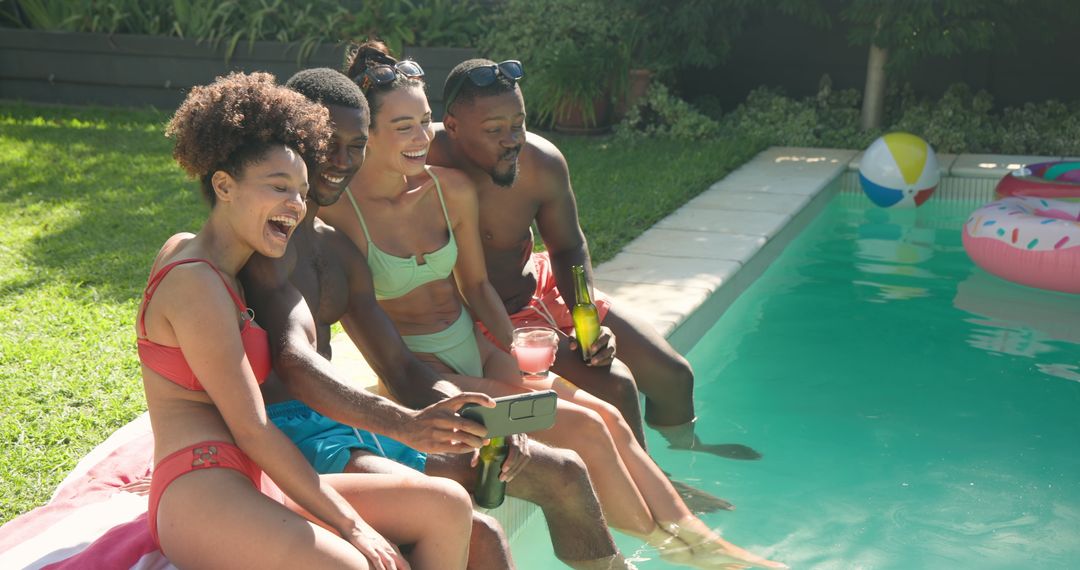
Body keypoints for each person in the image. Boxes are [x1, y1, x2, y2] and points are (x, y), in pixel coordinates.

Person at [319, 42, 785, 569]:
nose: (422, 137)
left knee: (606, 413)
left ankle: (697, 539)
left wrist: (514, 357)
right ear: (367, 134)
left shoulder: (447, 187)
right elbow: (384, 351)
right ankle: (685, 552)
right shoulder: (340, 215)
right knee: (583, 428)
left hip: (478, 344)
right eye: (404, 126)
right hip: (424, 372)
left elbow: (478, 289)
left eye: (425, 122)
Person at [239, 67, 627, 570]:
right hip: (291, 438)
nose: (341, 162)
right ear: (292, 140)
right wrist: (407, 424)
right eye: (325, 144)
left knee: (563, 471)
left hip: (344, 423)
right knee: (477, 529)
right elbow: (292, 361)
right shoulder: (266, 243)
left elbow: (400, 369)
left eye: (355, 146)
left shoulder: (337, 250)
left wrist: (476, 419)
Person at [141, 71, 472, 569]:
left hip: (255, 476)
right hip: (201, 484)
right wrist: (352, 524)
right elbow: (253, 429)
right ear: (224, 186)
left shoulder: (229, 269)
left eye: (300, 189)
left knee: (449, 505)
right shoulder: (196, 282)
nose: (296, 205)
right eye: (278, 187)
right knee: (358, 564)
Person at [427, 59, 762, 463]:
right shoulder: (422, 166)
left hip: (540, 287)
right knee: (617, 386)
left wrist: (585, 317)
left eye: (519, 123)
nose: (512, 139)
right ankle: (657, 489)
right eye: (494, 130)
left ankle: (685, 454)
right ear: (453, 125)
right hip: (489, 319)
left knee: (674, 376)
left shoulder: (541, 163)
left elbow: (568, 247)